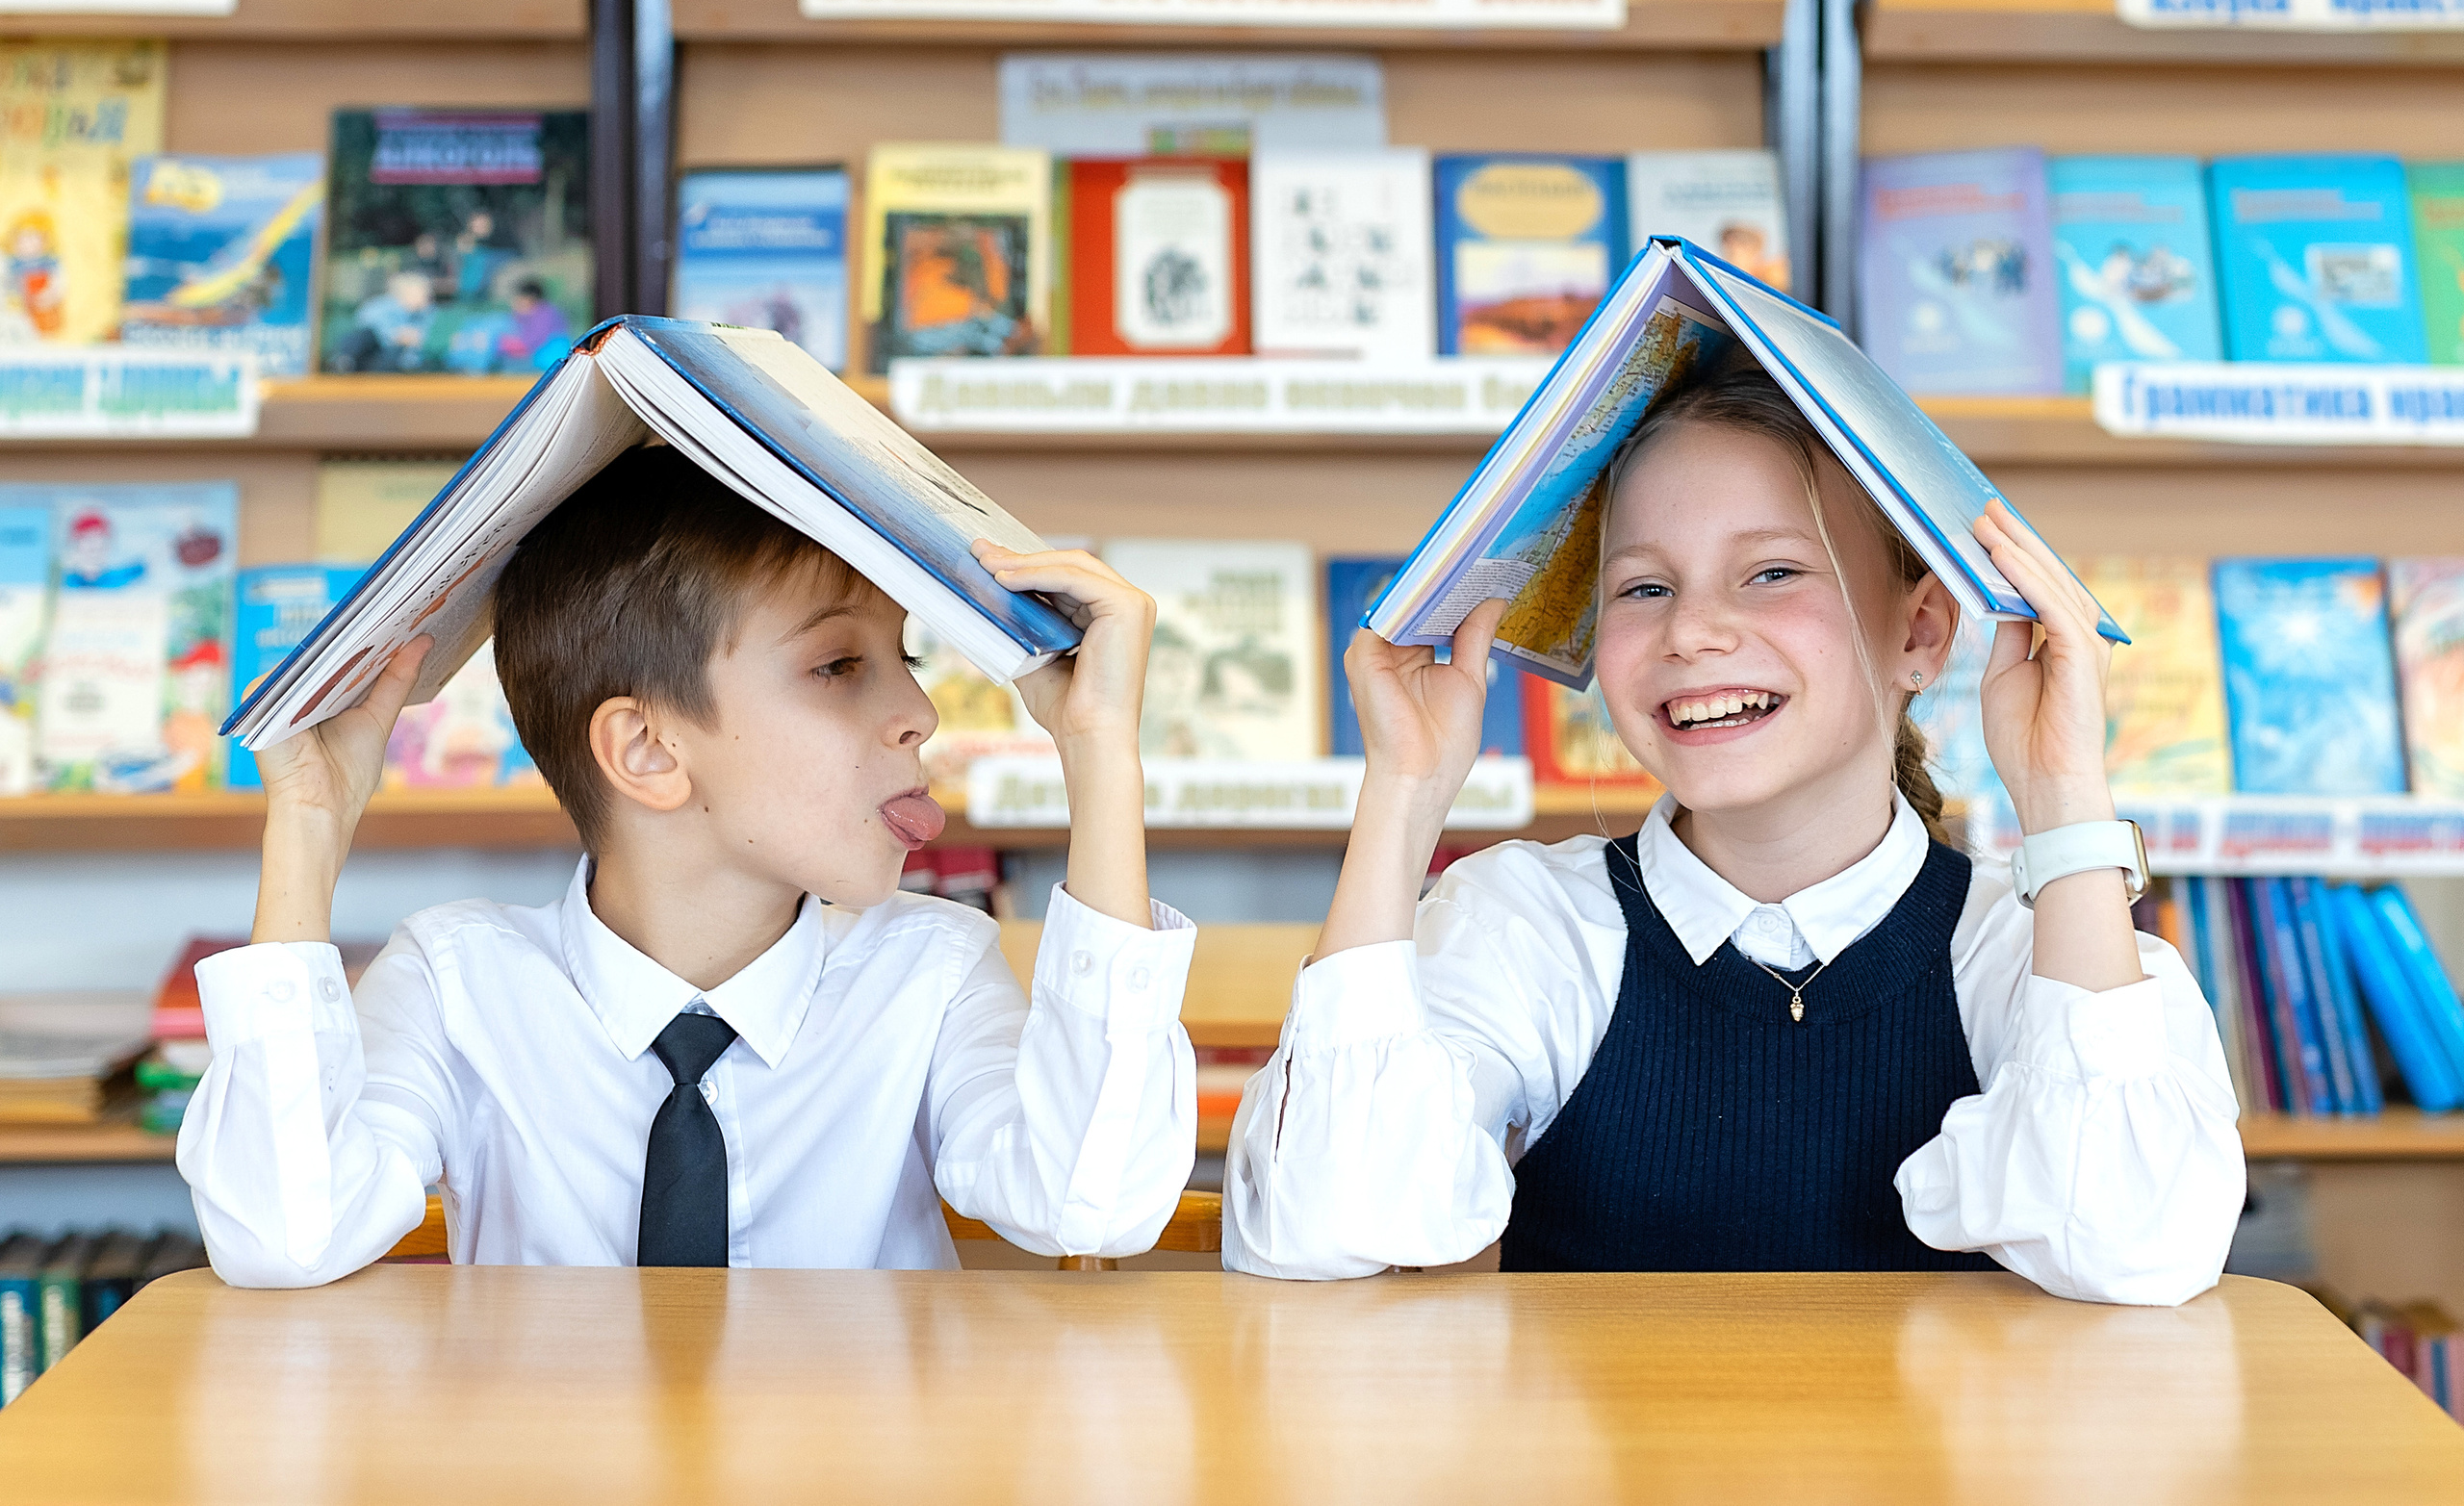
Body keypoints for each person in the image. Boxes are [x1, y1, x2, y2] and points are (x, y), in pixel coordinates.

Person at [1223, 367, 2244, 1304]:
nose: (1692, 631)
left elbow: (2130, 1248)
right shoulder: (1531, 925)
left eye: (1770, 574)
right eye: (1644, 588)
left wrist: (2061, 793)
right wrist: (1402, 793)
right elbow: (1323, 1229)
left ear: (1919, 633)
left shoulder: (2030, 951)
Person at [181, 447, 1196, 1282]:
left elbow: (1087, 1201)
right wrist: (308, 829)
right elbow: (285, 1237)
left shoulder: (930, 969)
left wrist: (1099, 747)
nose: (918, 714)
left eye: (908, 659)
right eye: (840, 665)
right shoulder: (459, 981)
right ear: (649, 751)